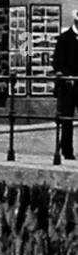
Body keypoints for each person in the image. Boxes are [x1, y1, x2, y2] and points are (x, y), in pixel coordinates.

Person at [53, 11, 78, 162]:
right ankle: (67, 150)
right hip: (68, 86)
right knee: (67, 119)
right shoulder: (64, 39)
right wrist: (67, 76)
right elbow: (58, 61)